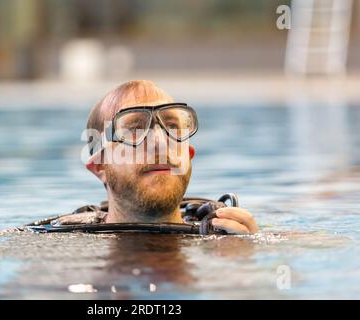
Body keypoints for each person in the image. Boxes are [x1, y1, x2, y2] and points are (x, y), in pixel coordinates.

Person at [80, 80, 258, 234]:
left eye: (172, 126)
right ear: (100, 165)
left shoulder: (232, 240)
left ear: (188, 155)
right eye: (135, 129)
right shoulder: (68, 251)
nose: (160, 142)